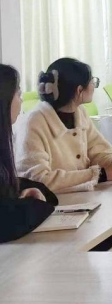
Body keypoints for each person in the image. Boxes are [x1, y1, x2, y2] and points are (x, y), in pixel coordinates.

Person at [17, 58, 112, 193]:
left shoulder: (79, 112)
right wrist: (101, 175)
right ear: (79, 90)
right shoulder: (33, 122)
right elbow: (38, 180)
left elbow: (97, 149)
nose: (94, 86)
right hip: (53, 203)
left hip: (84, 198)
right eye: (92, 81)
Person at [0, 64, 58, 243]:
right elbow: (6, 223)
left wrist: (28, 191)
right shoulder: (35, 118)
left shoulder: (81, 115)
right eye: (18, 93)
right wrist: (35, 203)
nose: (21, 100)